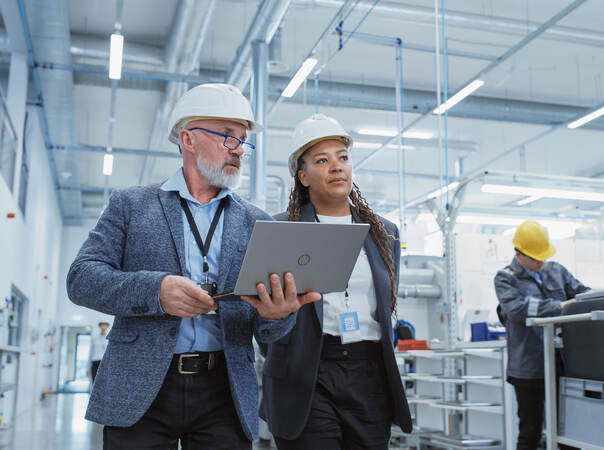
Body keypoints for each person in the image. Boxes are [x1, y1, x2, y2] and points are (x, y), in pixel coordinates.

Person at [67, 83, 320, 450]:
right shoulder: (131, 205)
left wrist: (278, 315)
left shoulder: (257, 222)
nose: (239, 151)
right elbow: (82, 278)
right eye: (228, 137)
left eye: (243, 142)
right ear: (188, 139)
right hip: (141, 387)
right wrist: (156, 292)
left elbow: (267, 333)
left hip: (225, 391)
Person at [260, 114, 412, 449]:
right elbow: (264, 314)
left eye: (342, 158)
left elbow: (386, 305)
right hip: (306, 373)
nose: (336, 166)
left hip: (368, 372)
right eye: (322, 160)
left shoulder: (385, 232)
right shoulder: (280, 230)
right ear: (303, 177)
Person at [494, 220, 589, 450]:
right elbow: (516, 309)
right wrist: (560, 306)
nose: (540, 262)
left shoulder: (557, 271)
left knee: (568, 430)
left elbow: (583, 295)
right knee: (530, 432)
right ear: (519, 254)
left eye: (542, 256)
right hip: (528, 368)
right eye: (535, 258)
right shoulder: (505, 278)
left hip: (562, 364)